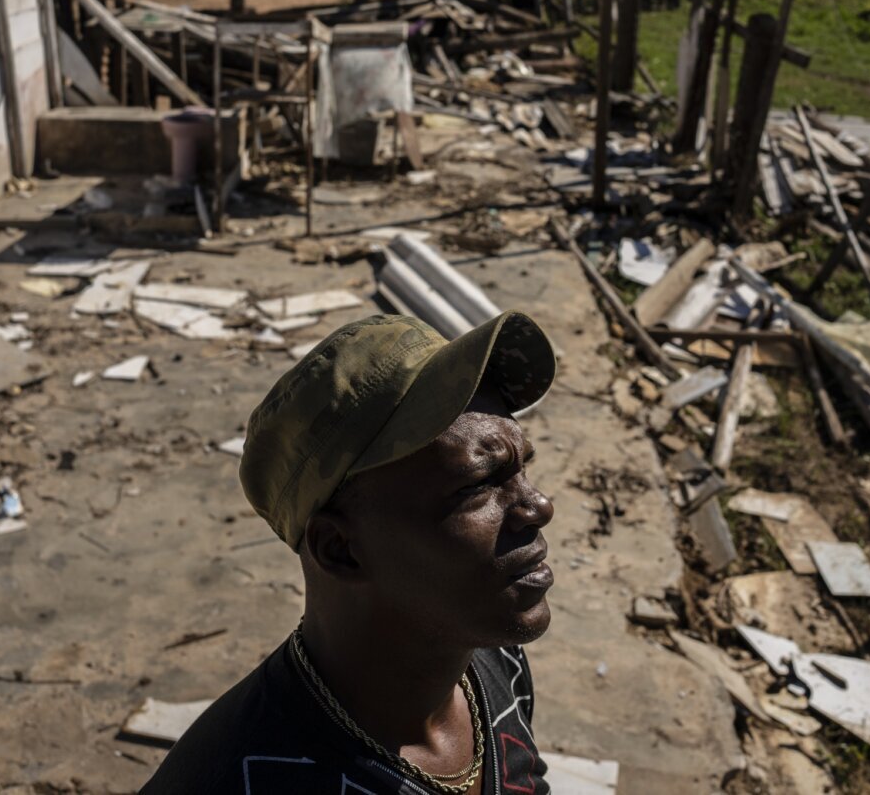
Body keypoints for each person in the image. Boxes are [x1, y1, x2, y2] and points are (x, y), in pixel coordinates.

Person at [140, 311, 559, 794]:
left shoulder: (493, 660)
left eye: (522, 469)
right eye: (477, 485)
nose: (539, 507)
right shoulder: (244, 779)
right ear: (340, 549)